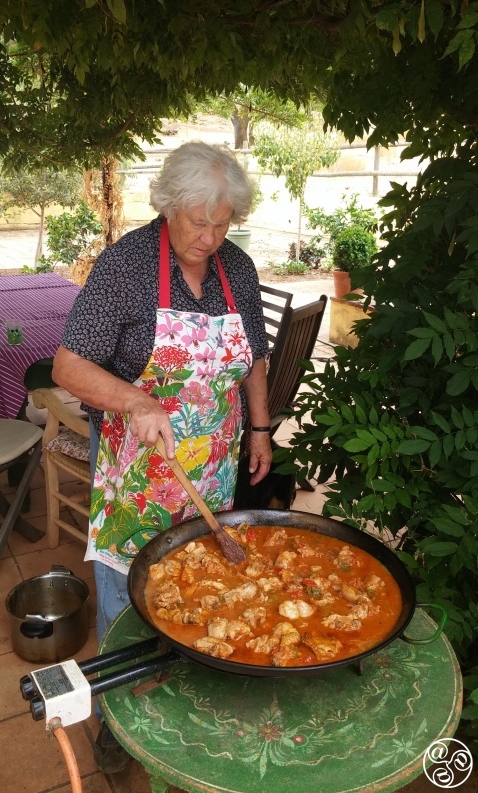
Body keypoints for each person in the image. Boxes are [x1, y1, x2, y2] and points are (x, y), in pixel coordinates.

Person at [52, 141, 272, 772]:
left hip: (212, 462)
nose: (210, 236)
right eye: (199, 221)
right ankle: (120, 728)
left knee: (202, 584)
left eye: (223, 222)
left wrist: (259, 428)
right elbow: (70, 365)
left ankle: (190, 709)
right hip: (140, 468)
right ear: (169, 208)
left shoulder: (238, 269)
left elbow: (253, 356)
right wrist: (136, 401)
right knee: (128, 596)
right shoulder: (126, 266)